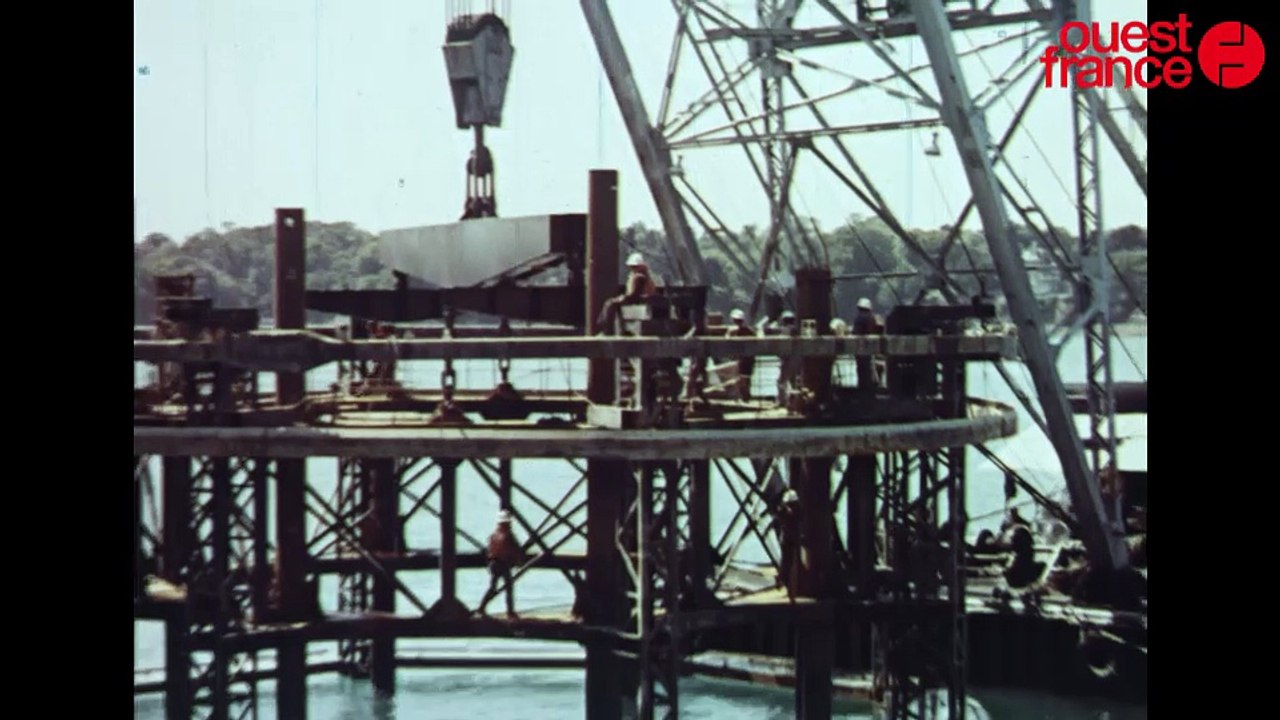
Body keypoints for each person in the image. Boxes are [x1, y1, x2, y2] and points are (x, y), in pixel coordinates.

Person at [596, 252, 659, 333]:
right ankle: (611, 327)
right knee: (610, 303)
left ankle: (606, 329)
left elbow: (635, 294)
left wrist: (623, 297)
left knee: (610, 303)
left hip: (638, 300)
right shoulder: (643, 276)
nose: (632, 268)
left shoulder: (639, 277)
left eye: (634, 266)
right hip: (639, 299)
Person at [480, 510, 525, 619]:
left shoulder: (493, 535)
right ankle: (510, 612)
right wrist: (518, 561)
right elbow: (515, 549)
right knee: (509, 588)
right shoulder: (508, 536)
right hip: (503, 564)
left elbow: (490, 550)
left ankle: (481, 607)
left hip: (494, 563)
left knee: (492, 588)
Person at [775, 489, 802, 596]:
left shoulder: (783, 511)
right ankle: (783, 580)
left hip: (787, 539)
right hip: (790, 539)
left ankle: (783, 580)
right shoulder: (789, 512)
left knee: (787, 562)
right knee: (787, 562)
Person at [726, 308, 756, 401]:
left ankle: (743, 395)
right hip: (749, 357)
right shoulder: (750, 331)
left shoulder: (733, 331)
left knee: (742, 377)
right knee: (746, 377)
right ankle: (745, 395)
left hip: (742, 358)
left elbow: (727, 339)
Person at [852, 297, 880, 393]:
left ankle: (863, 389)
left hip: (860, 349)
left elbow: (855, 333)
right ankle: (869, 389)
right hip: (867, 349)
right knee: (867, 369)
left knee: (862, 370)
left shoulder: (858, 319)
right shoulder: (871, 318)